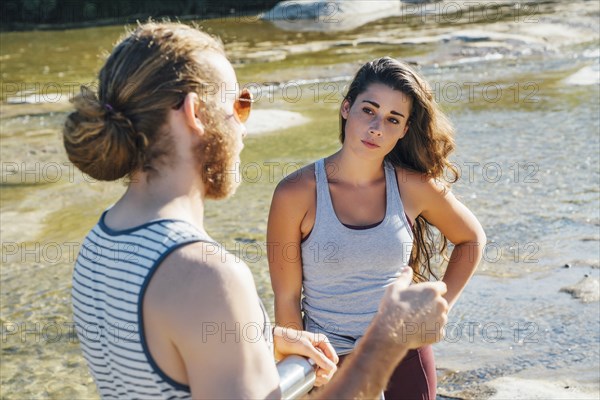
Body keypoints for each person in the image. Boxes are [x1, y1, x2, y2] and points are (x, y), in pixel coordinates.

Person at [64, 22, 449, 399]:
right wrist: (385, 338)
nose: (244, 127)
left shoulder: (97, 245)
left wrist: (260, 340)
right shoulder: (206, 275)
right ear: (196, 114)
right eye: (240, 103)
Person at [268, 57, 486, 399]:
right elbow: (287, 296)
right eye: (368, 110)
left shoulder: (413, 186)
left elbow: (471, 239)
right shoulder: (295, 193)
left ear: (403, 130)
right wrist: (304, 361)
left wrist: (436, 311)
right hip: (329, 359)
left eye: (392, 119)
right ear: (346, 108)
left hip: (404, 352)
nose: (376, 128)